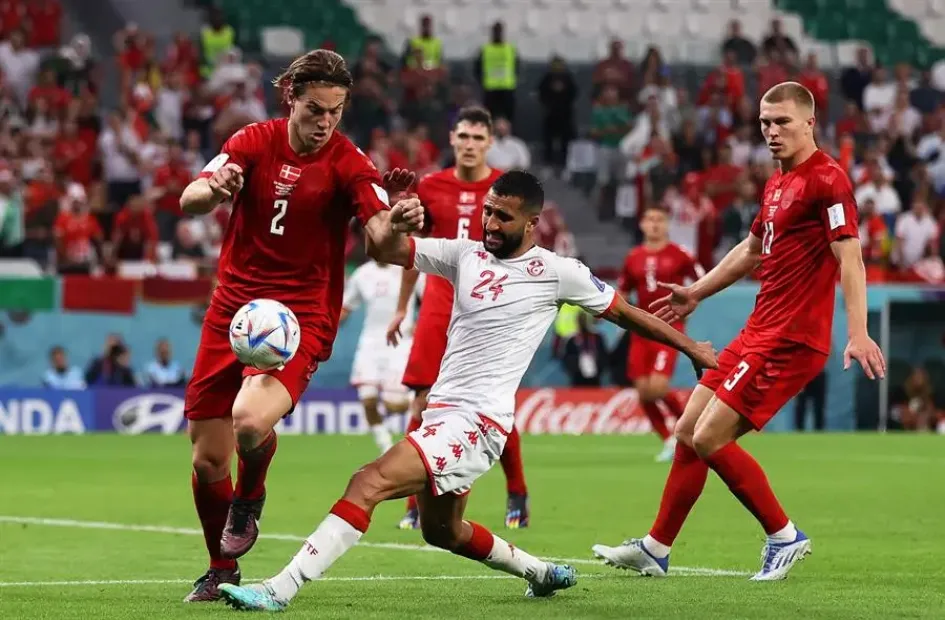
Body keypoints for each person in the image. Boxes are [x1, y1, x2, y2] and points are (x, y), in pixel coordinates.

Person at [216, 170, 718, 611]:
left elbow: (629, 316)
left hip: (479, 422)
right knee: (443, 531)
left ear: (531, 223)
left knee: (366, 483)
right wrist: (391, 214)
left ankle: (279, 590)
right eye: (487, 213)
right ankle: (540, 573)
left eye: (503, 217)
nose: (490, 225)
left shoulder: (557, 273)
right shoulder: (465, 255)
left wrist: (693, 349)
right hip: (443, 413)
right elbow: (384, 249)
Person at [593, 82, 886, 581]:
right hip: (758, 330)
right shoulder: (777, 182)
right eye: (765, 123)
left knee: (708, 438)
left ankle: (784, 535)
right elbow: (751, 250)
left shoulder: (828, 180)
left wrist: (857, 332)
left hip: (790, 337)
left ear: (810, 122)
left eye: (783, 122)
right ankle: (655, 547)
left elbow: (851, 257)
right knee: (687, 431)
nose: (772, 132)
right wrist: (697, 292)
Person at [177, 49, 421, 603]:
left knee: (247, 421)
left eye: (336, 110)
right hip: (233, 311)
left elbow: (381, 241)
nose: (326, 121)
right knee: (207, 456)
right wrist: (213, 192)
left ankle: (251, 497)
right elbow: (191, 195)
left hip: (300, 316)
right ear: (291, 97)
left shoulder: (349, 163)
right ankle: (220, 568)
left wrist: (398, 222)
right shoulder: (253, 141)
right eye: (316, 109)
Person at [385, 106, 532, 530]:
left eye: (477, 139)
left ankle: (517, 490)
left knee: (492, 404)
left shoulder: (506, 188)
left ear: (489, 143)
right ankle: (415, 503)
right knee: (422, 402)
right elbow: (415, 251)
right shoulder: (431, 186)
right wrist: (400, 307)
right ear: (453, 139)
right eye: (463, 137)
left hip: (489, 306)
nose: (469, 145)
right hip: (437, 302)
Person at [618, 205, 704, 462]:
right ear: (642, 224)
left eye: (659, 220)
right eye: (650, 219)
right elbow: (623, 289)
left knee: (658, 387)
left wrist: (690, 304)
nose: (654, 224)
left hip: (669, 329)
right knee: (644, 392)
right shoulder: (633, 257)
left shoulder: (680, 255)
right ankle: (668, 439)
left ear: (667, 225)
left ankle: (688, 430)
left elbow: (700, 279)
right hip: (641, 329)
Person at [339, 258, 417, 454]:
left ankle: (417, 439)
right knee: (368, 400)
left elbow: (429, 298)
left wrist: (421, 324)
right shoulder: (362, 274)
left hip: (400, 341)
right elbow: (346, 307)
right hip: (371, 344)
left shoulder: (409, 268)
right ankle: (386, 448)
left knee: (397, 404)